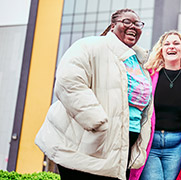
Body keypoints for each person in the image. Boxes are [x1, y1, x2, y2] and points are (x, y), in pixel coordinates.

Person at [35, 8, 153, 180]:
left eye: (137, 24)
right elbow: (69, 80)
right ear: (113, 26)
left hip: (124, 144)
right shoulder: (90, 46)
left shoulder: (139, 63)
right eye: (126, 22)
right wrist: (97, 122)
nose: (133, 27)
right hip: (87, 142)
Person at [129, 30, 181, 180]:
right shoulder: (149, 76)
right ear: (161, 50)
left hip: (176, 146)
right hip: (150, 143)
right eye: (167, 44)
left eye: (176, 43)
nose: (171, 47)